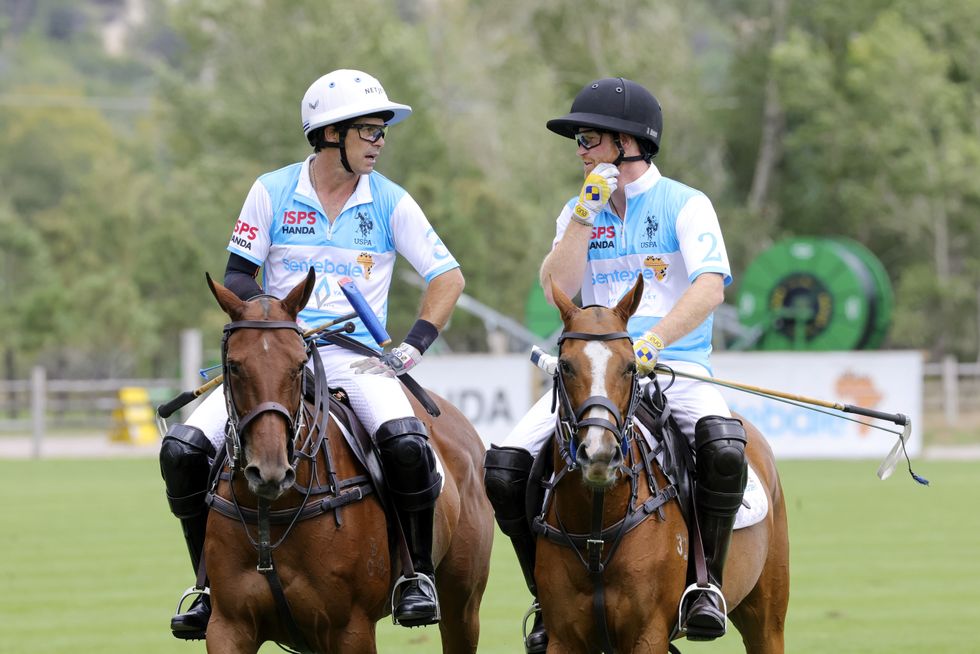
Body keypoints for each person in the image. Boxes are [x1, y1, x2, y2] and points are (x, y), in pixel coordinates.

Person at [159, 69, 464, 639]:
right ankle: (205, 581)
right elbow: (237, 276)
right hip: (277, 357)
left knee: (405, 443)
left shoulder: (392, 201)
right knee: (183, 448)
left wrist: (412, 346)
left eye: (380, 131)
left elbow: (447, 277)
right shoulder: (271, 190)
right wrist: (272, 318)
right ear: (330, 135)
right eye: (368, 130)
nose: (379, 141)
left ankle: (415, 575)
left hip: (355, 359)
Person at [483, 77, 748, 651]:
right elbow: (557, 285)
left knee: (724, 448)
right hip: (594, 375)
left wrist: (652, 342)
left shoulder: (685, 202)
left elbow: (708, 288)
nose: (579, 150)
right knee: (503, 466)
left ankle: (705, 585)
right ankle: (547, 596)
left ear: (627, 143)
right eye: (578, 140)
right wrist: (584, 215)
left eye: (587, 138)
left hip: (670, 366)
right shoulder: (579, 210)